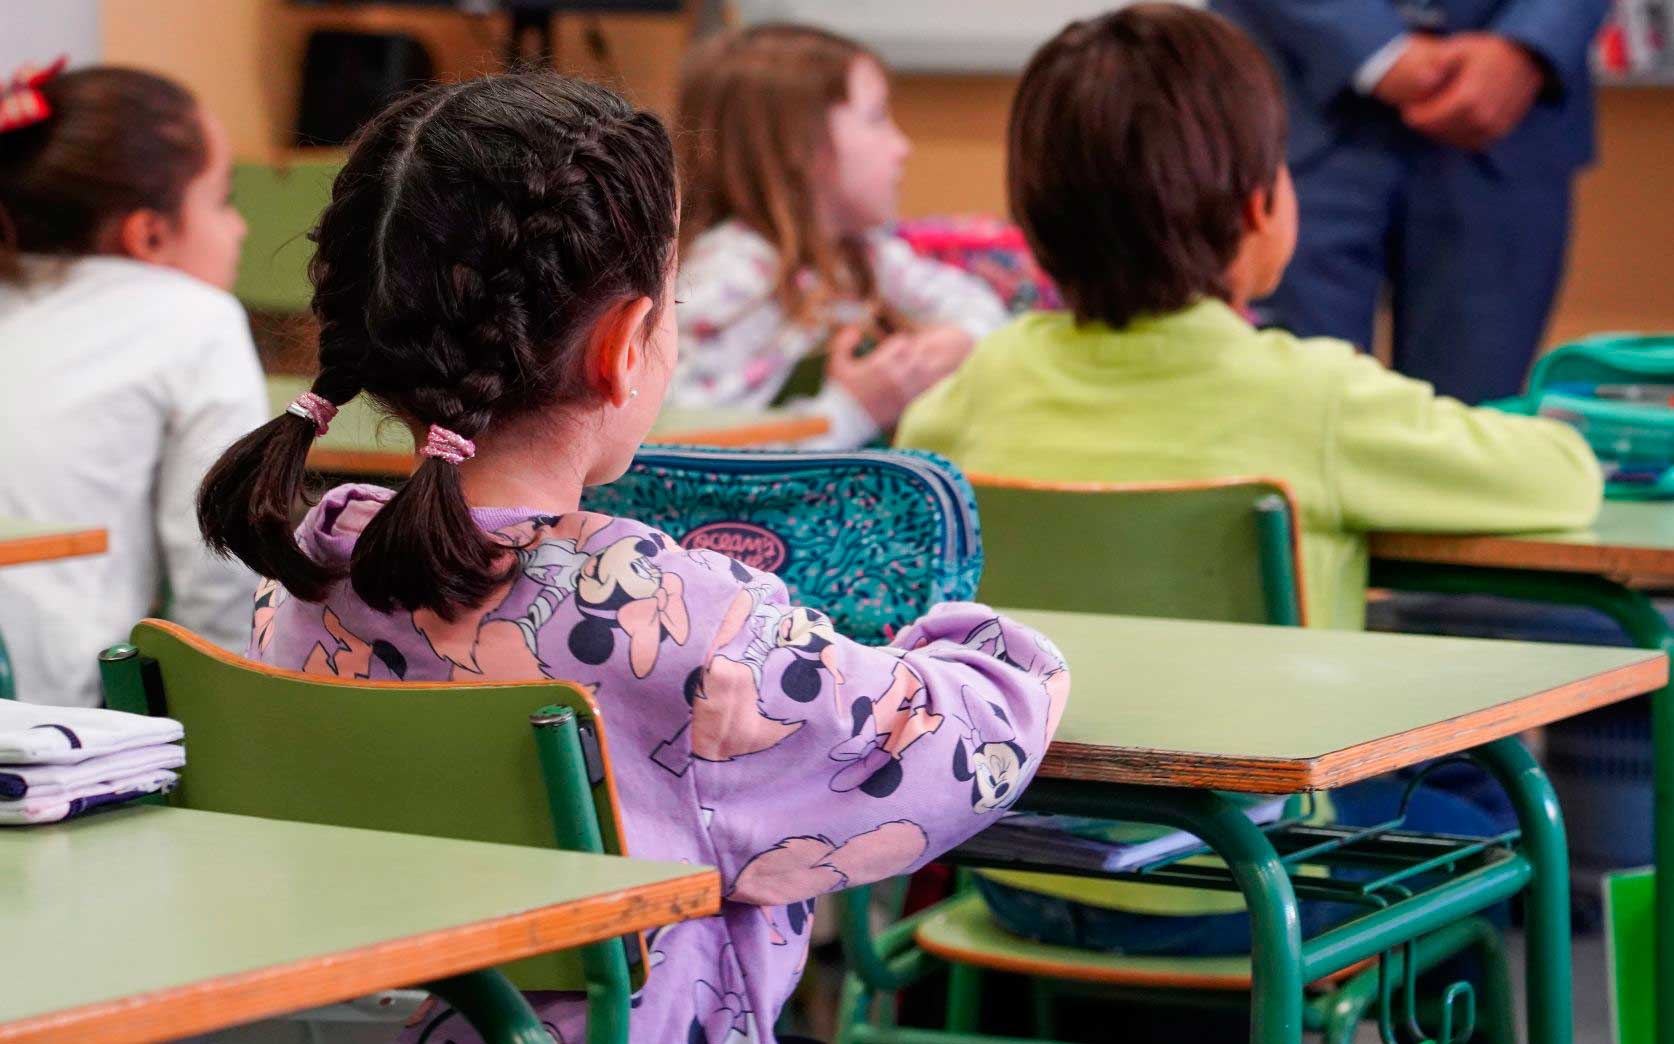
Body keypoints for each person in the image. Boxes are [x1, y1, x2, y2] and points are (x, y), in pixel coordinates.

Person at [196, 71, 1068, 1043]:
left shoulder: (298, 589)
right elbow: (962, 751)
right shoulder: (692, 631)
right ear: (622, 346)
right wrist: (979, 643)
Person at [895, 3, 1597, 954]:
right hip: (1260, 889)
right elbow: (1562, 479)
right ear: (1262, 209)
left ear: (1033, 221)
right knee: (1492, 799)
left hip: (1011, 872)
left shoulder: (970, 393)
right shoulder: (1318, 399)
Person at [0, 62, 265, 707]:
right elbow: (221, 565)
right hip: (51, 722)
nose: (239, 227)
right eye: (222, 199)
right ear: (147, 234)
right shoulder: (195, 320)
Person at [1211, 0, 1611, 404]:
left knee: (1476, 428)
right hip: (1296, 100)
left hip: (1509, 124)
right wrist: (1377, 50)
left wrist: (1528, 44)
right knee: (1287, 411)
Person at [671, 24, 1008, 449]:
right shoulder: (731, 275)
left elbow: (981, 310)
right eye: (877, 118)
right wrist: (853, 410)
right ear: (799, 144)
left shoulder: (862, 252)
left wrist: (954, 340)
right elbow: (686, 454)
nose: (902, 146)